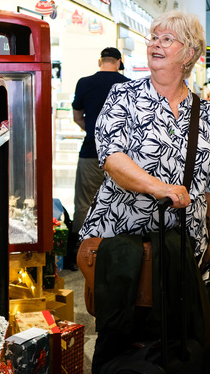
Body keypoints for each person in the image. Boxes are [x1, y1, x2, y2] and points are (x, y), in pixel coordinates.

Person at [78, 10, 210, 373]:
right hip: (120, 248)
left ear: (189, 53)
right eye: (153, 37)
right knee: (118, 335)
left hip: (180, 249)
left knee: (175, 337)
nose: (154, 44)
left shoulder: (204, 113)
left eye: (166, 39)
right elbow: (111, 157)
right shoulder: (123, 95)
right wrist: (161, 188)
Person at [68, 47, 130, 269]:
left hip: (91, 151)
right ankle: (114, 251)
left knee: (85, 202)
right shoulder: (128, 85)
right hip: (122, 155)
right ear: (119, 62)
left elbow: (77, 116)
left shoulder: (84, 83)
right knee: (120, 200)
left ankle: (80, 253)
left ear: (100, 61)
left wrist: (94, 131)